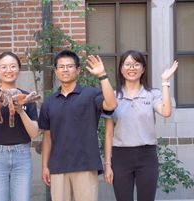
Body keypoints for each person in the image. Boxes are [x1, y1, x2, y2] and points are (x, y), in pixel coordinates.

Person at [38, 50, 117, 201]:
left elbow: (112, 104)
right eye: (61, 67)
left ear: (78, 70)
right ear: (55, 71)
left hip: (85, 164)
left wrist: (102, 76)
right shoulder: (49, 102)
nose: (65, 70)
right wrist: (45, 166)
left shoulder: (91, 94)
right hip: (58, 166)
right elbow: (47, 137)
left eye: (70, 66)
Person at [103, 50, 178, 201]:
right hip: (121, 156)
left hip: (147, 156)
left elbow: (166, 111)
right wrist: (108, 164)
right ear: (121, 69)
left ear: (143, 69)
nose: (132, 68)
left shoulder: (152, 94)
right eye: (128, 64)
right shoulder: (113, 96)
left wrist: (165, 82)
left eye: (136, 64)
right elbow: (109, 134)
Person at [0, 51, 39, 201]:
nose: (8, 70)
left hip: (22, 156)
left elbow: (34, 133)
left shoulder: (26, 98)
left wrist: (20, 111)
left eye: (13, 66)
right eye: (4, 67)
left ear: (19, 69)